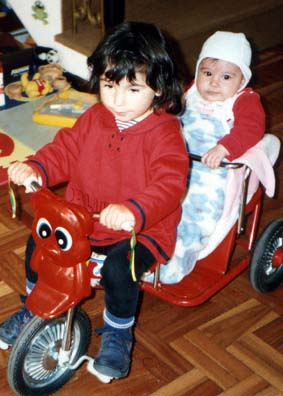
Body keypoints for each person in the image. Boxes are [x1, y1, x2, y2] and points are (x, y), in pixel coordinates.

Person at [0, 21, 189, 381]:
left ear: (159, 87)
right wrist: (36, 167)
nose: (117, 100)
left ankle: (118, 333)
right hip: (81, 219)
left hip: (141, 229)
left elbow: (169, 184)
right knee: (37, 245)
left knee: (120, 270)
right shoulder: (94, 118)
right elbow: (65, 151)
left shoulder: (165, 135)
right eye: (108, 85)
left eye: (133, 89)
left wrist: (134, 210)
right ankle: (32, 309)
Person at [155, 31, 265, 284]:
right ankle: (146, 249)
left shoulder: (244, 100)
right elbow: (169, 113)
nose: (214, 83)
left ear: (242, 80)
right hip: (175, 163)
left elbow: (251, 127)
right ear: (197, 72)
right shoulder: (190, 92)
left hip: (210, 175)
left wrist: (225, 148)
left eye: (226, 76)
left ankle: (179, 258)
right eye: (207, 73)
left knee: (193, 216)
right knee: (156, 205)